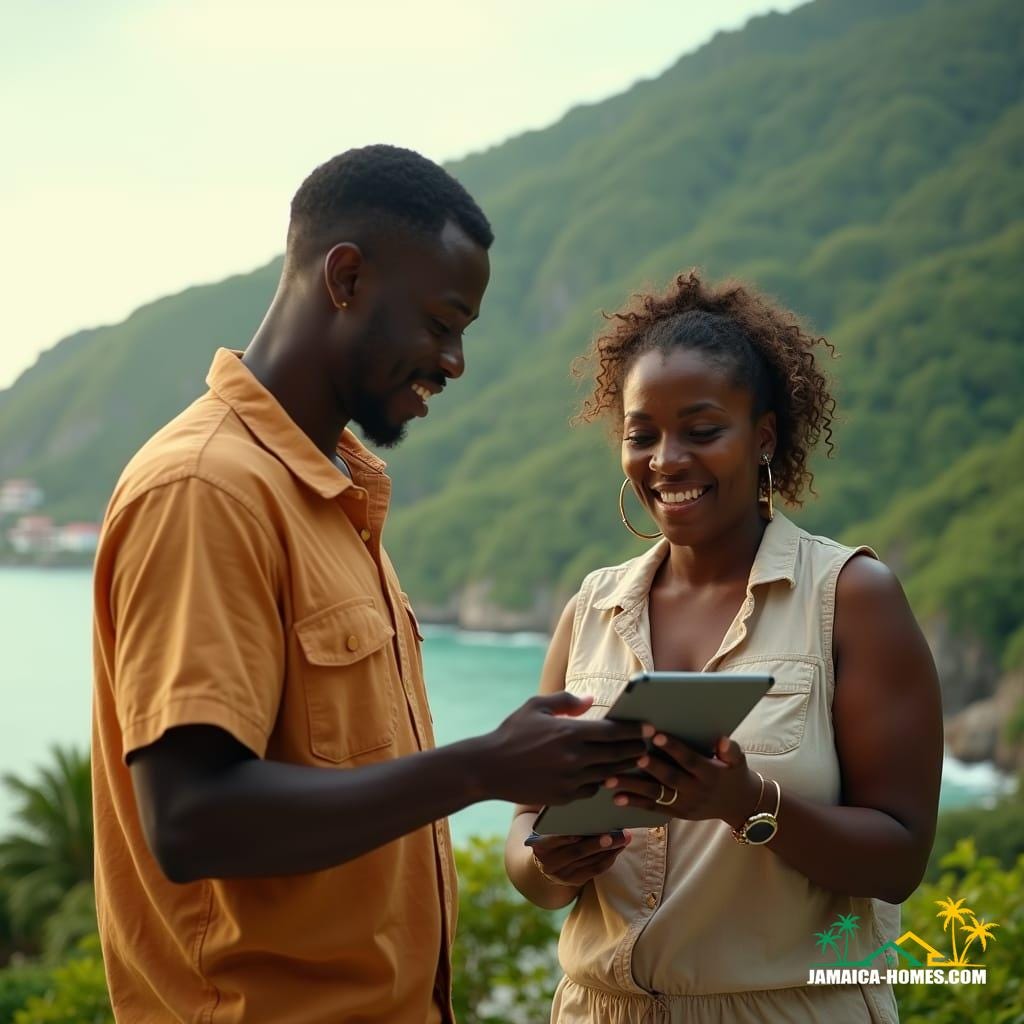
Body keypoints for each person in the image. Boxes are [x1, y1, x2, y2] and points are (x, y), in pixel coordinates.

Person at [91, 145, 649, 1024]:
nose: (456, 360)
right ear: (344, 277)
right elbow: (192, 819)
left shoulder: (333, 497)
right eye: (441, 322)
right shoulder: (206, 489)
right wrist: (483, 767)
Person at [505, 270, 943, 1023]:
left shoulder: (850, 598)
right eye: (642, 434)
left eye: (702, 430)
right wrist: (549, 860)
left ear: (763, 436)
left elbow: (900, 859)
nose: (666, 459)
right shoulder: (591, 610)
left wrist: (746, 805)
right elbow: (526, 835)